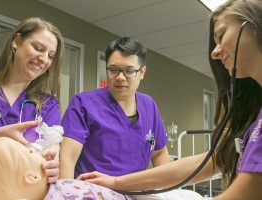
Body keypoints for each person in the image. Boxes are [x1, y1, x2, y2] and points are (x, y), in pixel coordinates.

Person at [76, 0, 262, 199]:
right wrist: (116, 182)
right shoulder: (253, 120)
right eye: (114, 69)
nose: (215, 52)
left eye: (222, 35)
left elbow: (248, 192)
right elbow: (206, 162)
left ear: (254, 25)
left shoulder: (148, 105)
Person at [46, 37, 170, 199]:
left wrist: (168, 190)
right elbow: (67, 157)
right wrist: (66, 194)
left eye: (129, 71)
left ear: (142, 72)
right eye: (113, 69)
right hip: (94, 191)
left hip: (137, 192)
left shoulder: (149, 106)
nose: (120, 77)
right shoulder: (84, 104)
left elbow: (159, 153)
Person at [0, 17, 64, 190]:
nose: (44, 59)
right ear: (16, 41)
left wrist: (53, 167)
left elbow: (51, 157)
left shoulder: (48, 105)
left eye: (50, 56)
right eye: (38, 48)